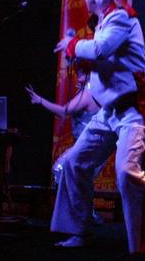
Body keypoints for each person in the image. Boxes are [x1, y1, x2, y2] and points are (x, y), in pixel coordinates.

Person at [52, 0, 145, 261]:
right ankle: (80, 231)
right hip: (108, 112)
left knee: (126, 172)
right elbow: (109, 61)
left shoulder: (121, 17)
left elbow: (101, 49)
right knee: (73, 163)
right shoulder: (105, 22)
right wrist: (84, 62)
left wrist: (71, 44)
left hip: (134, 110)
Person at [25, 66, 104, 224]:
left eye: (81, 70)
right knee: (78, 180)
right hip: (90, 148)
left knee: (61, 170)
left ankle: (82, 216)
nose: (77, 72)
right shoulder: (91, 91)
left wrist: (40, 100)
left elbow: (63, 111)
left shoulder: (88, 93)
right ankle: (84, 215)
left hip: (88, 148)